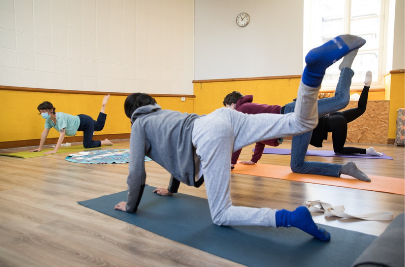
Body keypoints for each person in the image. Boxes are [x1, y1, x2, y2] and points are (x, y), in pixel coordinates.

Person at [114, 35, 368, 242]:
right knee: (301, 122)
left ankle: (291, 218)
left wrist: (131, 205)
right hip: (223, 118)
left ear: (131, 114)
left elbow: (137, 173)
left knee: (222, 214)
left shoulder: (139, 125)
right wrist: (171, 190)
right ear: (151, 103)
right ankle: (312, 73)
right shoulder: (165, 112)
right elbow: (177, 149)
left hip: (210, 132)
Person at [223, 55, 371, 182]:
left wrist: (230, 163)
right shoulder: (248, 114)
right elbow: (259, 137)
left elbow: (239, 137)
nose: (229, 113)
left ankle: (345, 68)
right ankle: (345, 169)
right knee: (297, 166)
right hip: (296, 126)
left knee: (341, 100)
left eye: (227, 108)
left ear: (233, 104)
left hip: (292, 113)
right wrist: (254, 160)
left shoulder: (241, 110)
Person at [310, 71, 383, 156]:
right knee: (361, 109)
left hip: (337, 122)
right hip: (336, 115)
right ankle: (367, 85)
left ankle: (368, 151)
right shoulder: (304, 116)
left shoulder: (301, 127)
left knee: (339, 150)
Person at [30, 95, 113, 154]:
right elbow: (44, 133)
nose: (43, 114)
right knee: (99, 126)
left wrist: (55, 150)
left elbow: (62, 135)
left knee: (88, 145)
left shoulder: (60, 117)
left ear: (51, 110)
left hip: (85, 121)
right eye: (41, 112)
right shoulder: (49, 120)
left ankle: (105, 142)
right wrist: (39, 148)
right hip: (79, 121)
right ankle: (103, 106)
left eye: (44, 111)